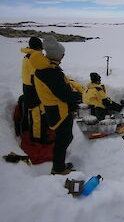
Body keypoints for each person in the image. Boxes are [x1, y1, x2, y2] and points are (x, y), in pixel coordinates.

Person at [30, 36, 77, 175]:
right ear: (57, 55)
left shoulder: (45, 68)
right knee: (63, 140)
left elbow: (60, 89)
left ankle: (59, 164)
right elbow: (64, 95)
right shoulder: (49, 73)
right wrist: (80, 97)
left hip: (55, 109)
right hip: (59, 112)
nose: (63, 56)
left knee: (65, 138)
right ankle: (58, 169)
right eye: (62, 54)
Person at [21, 37, 50, 144]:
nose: (42, 51)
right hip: (32, 90)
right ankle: (37, 138)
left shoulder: (27, 56)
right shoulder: (33, 58)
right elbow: (35, 77)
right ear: (38, 48)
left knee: (38, 111)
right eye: (40, 49)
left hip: (28, 87)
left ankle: (39, 133)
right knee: (36, 114)